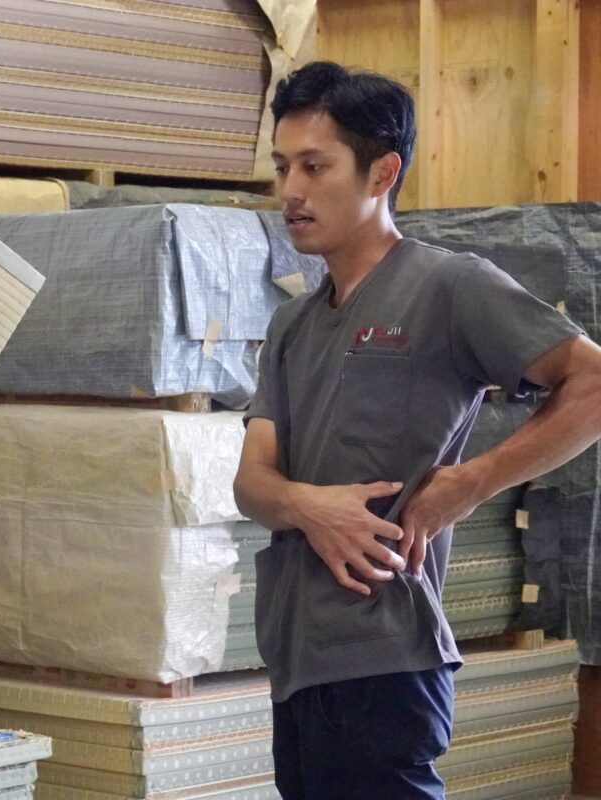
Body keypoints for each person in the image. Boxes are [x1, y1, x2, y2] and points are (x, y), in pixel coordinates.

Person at [233, 61, 601, 799]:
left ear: (382, 172)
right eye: (282, 167)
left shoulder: (449, 285)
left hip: (385, 654)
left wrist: (469, 483)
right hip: (297, 656)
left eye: (314, 167)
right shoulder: (292, 325)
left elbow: (591, 383)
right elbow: (252, 483)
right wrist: (308, 505)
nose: (291, 191)